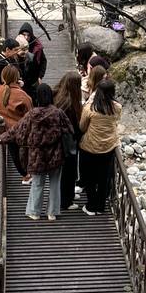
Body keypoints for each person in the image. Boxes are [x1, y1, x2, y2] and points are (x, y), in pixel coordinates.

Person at [2, 83, 73, 222]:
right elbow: (69, 130)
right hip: (56, 155)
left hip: (37, 156)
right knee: (54, 184)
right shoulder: (58, 113)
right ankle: (52, 212)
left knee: (37, 183)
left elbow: (18, 130)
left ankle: (34, 212)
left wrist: (2, 138)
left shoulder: (31, 114)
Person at [78, 78, 121, 215]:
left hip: (89, 147)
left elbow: (82, 126)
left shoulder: (89, 108)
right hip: (108, 147)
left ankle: (91, 205)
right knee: (104, 178)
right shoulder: (117, 108)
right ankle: (101, 206)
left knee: (89, 177)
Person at [0, 64, 32, 178]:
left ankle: (23, 174)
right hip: (21, 130)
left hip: (6, 128)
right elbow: (30, 113)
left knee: (14, 153)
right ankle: (27, 173)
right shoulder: (22, 96)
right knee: (24, 154)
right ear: (17, 77)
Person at [53, 70, 83, 210]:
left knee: (65, 171)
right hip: (68, 141)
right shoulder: (70, 104)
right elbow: (74, 126)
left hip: (59, 141)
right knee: (68, 171)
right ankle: (66, 201)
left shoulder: (59, 96)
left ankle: (68, 194)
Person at [17, 23, 47, 95]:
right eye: (24, 35)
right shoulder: (16, 45)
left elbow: (43, 61)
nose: (26, 37)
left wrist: (40, 76)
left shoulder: (36, 46)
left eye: (28, 35)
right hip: (22, 80)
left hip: (34, 79)